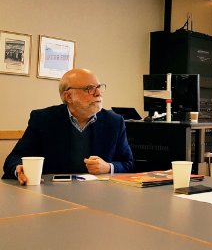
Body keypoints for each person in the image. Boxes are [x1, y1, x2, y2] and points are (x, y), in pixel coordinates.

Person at [3, 68, 134, 185]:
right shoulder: (44, 119)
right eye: (89, 88)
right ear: (68, 96)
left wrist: (108, 167)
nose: (98, 93)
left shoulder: (114, 121)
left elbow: (128, 163)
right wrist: (18, 169)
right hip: (52, 193)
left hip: (98, 194)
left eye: (98, 87)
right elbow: (14, 158)